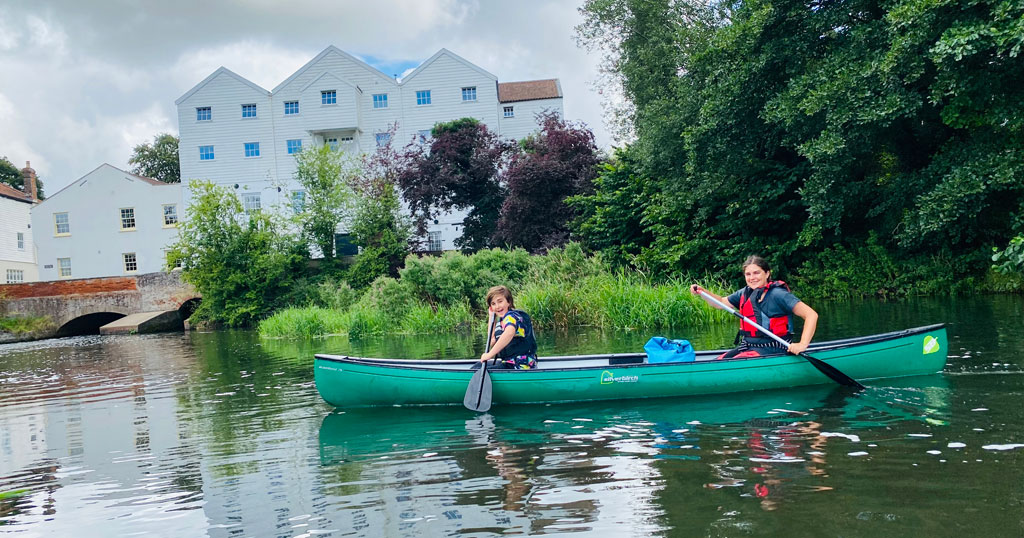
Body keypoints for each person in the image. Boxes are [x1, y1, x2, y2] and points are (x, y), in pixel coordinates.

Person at [690, 255, 818, 358]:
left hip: (775, 347)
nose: (752, 278)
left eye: (756, 273)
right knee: (719, 360)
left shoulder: (778, 294)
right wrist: (703, 292)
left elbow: (811, 315)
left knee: (730, 364)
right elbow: (721, 303)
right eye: (748, 274)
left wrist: (802, 344)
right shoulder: (745, 293)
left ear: (767, 274)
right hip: (748, 346)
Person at [478, 285, 538, 369]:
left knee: (480, 370)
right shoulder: (502, 321)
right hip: (509, 363)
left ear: (508, 302)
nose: (497, 306)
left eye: (500, 301)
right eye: (493, 304)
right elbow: (492, 342)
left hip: (520, 364)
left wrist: (489, 355)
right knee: (477, 366)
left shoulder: (512, 317)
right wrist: (491, 317)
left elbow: (509, 332)